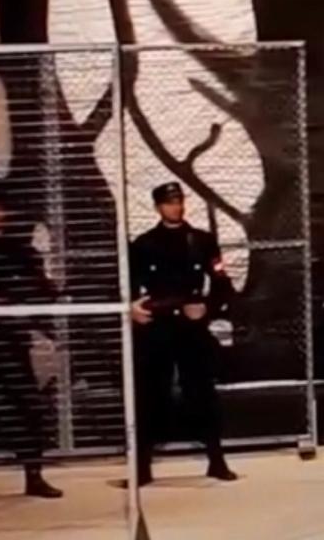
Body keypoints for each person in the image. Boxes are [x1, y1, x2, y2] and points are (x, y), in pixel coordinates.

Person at [129, 181, 237, 485]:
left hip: (191, 327)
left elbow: (221, 283)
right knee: (149, 394)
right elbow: (130, 285)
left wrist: (207, 308)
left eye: (178, 201)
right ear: (158, 207)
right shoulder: (144, 244)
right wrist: (133, 308)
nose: (175, 207)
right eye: (168, 202)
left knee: (202, 392)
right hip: (157, 326)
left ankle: (216, 461)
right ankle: (142, 468)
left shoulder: (201, 241)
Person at [0, 185, 62, 499]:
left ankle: (33, 476)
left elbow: (45, 292)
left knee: (27, 406)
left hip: (12, 341)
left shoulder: (22, 251)